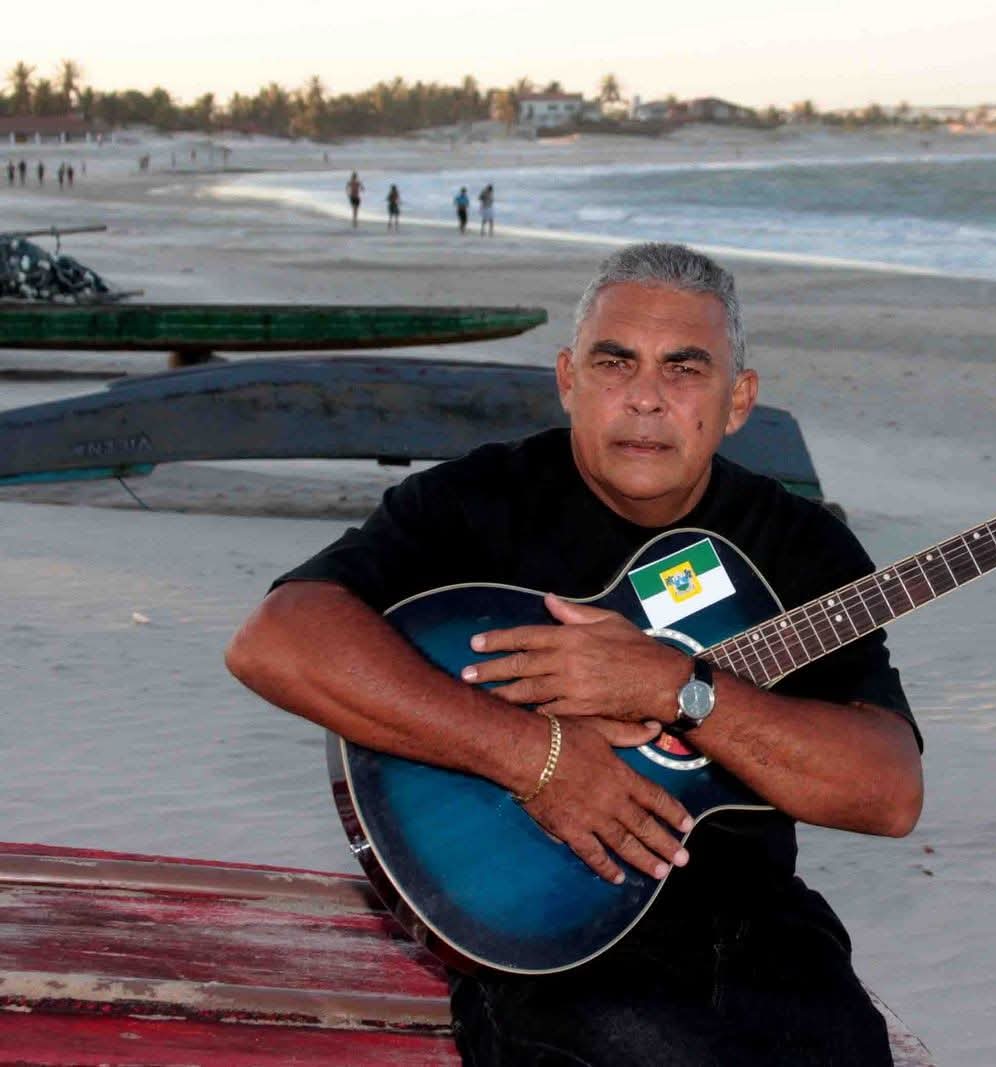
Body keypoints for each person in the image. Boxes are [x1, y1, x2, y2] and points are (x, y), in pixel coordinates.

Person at [225, 242, 923, 1066]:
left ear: (739, 401)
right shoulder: (478, 504)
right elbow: (277, 638)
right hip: (541, 930)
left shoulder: (802, 548)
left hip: (755, 923)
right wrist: (538, 758)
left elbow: (888, 793)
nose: (646, 399)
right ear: (568, 379)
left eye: (685, 369)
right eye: (615, 361)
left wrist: (677, 686)